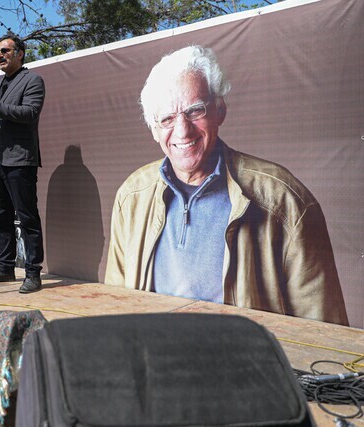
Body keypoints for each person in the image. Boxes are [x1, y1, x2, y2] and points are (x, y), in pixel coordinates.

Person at [105, 45, 348, 326]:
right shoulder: (131, 196)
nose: (182, 130)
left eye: (195, 111)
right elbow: (116, 304)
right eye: (168, 119)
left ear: (219, 110)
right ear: (153, 129)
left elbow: (324, 326)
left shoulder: (284, 198)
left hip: (244, 366)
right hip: (153, 361)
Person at [0, 33, 46, 293]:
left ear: (20, 53)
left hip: (19, 161)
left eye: (5, 51)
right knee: (1, 217)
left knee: (26, 217)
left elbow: (30, 113)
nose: (0, 56)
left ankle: (33, 272)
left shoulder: (33, 80)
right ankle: (4, 267)